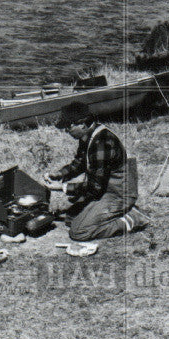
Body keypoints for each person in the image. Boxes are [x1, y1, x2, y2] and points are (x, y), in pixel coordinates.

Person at [46, 101, 148, 241]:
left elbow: (94, 187)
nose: (66, 131)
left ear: (82, 124)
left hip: (118, 194)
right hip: (105, 190)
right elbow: (80, 163)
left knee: (79, 232)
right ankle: (113, 213)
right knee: (70, 219)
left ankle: (132, 219)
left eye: (68, 127)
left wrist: (63, 187)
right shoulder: (89, 135)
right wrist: (59, 174)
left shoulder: (101, 143)